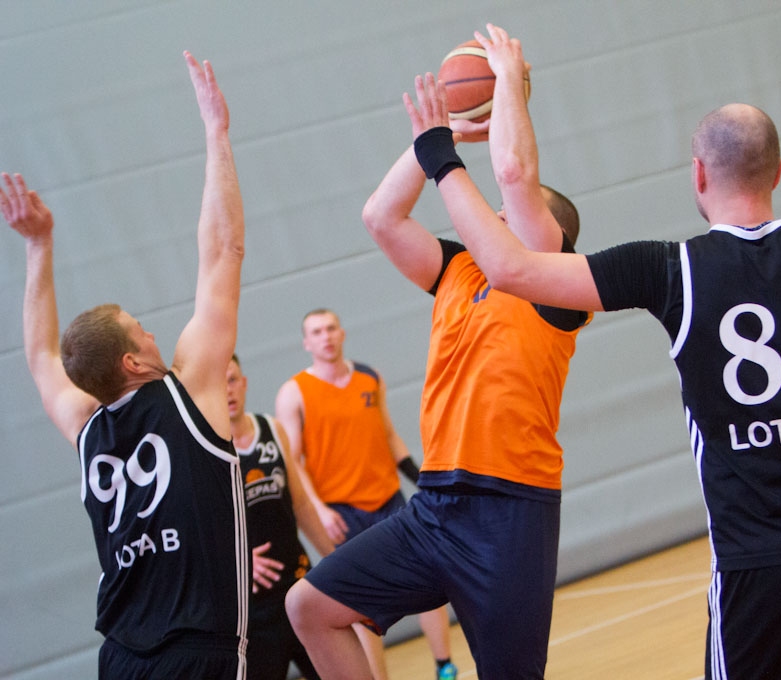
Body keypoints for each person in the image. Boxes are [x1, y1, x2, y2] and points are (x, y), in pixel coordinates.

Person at [405, 22, 781, 680]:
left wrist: (438, 155)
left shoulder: (671, 271)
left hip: (763, 566)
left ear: (698, 174)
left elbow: (511, 269)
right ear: (778, 170)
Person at [283, 41, 590, 680]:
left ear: (549, 236)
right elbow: (380, 214)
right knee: (310, 606)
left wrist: (505, 84)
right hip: (436, 503)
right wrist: (435, 135)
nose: (496, 216)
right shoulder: (456, 268)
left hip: (511, 511)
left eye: (510, 215)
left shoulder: (558, 283)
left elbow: (515, 179)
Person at [2, 52, 251, 680]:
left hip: (120, 656)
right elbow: (223, 251)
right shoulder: (188, 392)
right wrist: (216, 133)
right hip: (200, 651)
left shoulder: (86, 425)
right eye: (140, 325)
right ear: (133, 360)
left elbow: (38, 356)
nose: (151, 326)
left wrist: (38, 245)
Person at [275, 308, 457, 680]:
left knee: (433, 582)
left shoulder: (369, 377)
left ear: (342, 333)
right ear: (306, 343)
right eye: (316, 332)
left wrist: (422, 478)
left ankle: (444, 666)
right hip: (342, 513)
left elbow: (389, 435)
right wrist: (321, 511)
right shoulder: (294, 393)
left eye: (330, 328)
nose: (325, 336)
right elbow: (293, 460)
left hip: (388, 501)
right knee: (357, 609)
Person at [227, 354, 336, 680]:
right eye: (216, 384)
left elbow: (301, 504)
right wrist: (240, 561)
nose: (226, 391)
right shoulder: (208, 449)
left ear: (244, 383)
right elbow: (199, 532)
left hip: (299, 582)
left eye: (232, 380)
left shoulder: (271, 428)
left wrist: (334, 559)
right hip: (253, 605)